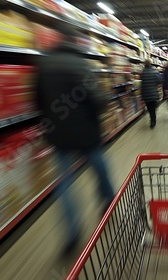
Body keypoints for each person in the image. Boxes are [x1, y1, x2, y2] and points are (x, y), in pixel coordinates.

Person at [34, 23, 115, 252]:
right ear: (77, 42)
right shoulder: (82, 64)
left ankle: (72, 231)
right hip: (88, 134)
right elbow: (98, 100)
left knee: (65, 184)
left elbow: (37, 102)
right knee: (100, 171)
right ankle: (108, 202)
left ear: (58, 40)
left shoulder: (45, 64)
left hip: (58, 136)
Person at [141, 59, 162, 128]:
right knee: (154, 107)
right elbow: (159, 80)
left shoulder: (143, 73)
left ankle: (152, 119)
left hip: (146, 94)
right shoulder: (154, 71)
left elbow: (142, 83)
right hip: (153, 93)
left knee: (150, 109)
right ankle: (153, 120)